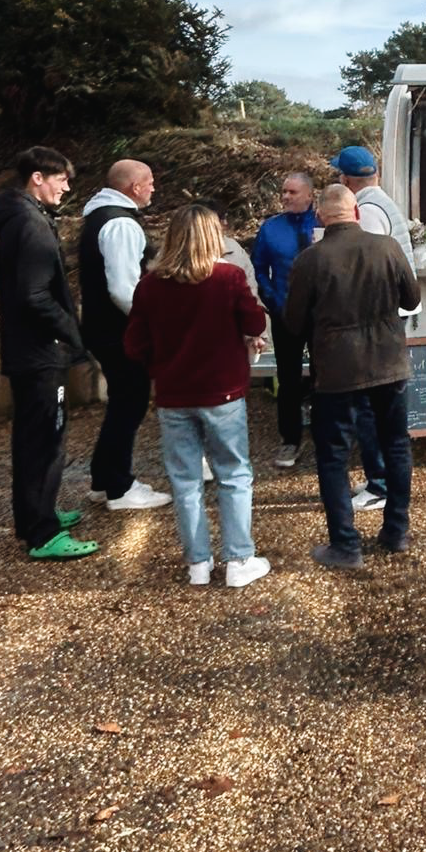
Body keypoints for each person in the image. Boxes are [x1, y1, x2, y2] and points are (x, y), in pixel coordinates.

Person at [124, 204, 270, 588]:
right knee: (233, 475)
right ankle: (239, 559)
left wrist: (160, 365)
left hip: (173, 394)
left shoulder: (150, 285)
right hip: (223, 391)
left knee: (185, 481)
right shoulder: (228, 277)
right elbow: (255, 320)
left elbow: (134, 344)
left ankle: (198, 564)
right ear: (213, 237)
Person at [283, 184, 422, 570]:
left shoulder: (310, 260)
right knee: (396, 446)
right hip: (389, 363)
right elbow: (411, 300)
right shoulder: (388, 248)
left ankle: (346, 545)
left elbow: (293, 323)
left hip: (336, 371)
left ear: (320, 217)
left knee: (333, 457)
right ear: (356, 213)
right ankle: (396, 531)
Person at [0, 147, 98, 560]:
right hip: (40, 352)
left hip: (28, 349)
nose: (66, 187)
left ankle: (36, 513)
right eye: (61, 179)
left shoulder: (20, 217)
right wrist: (72, 332)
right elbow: (34, 295)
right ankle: (43, 533)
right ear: (38, 177)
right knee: (45, 442)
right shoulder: (31, 224)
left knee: (32, 438)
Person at [329, 145, 417, 513]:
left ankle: (380, 484)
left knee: (369, 405)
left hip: (377, 321)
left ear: (346, 180)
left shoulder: (367, 212)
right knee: (382, 407)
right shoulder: (383, 201)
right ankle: (384, 481)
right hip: (391, 316)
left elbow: (367, 271)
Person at [79, 159, 172, 510]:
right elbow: (122, 288)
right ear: (134, 187)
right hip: (118, 332)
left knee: (123, 403)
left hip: (101, 328)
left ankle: (104, 480)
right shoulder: (120, 223)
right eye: (150, 182)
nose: (153, 188)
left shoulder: (99, 217)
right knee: (129, 404)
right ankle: (119, 488)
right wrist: (151, 324)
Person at [252, 172, 319, 468]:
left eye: (293, 192)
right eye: (284, 192)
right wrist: (273, 302)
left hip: (322, 314)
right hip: (285, 312)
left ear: (310, 195)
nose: (286, 197)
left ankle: (326, 435)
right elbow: (258, 269)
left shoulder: (323, 224)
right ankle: (290, 439)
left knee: (325, 375)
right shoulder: (271, 228)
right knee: (288, 378)